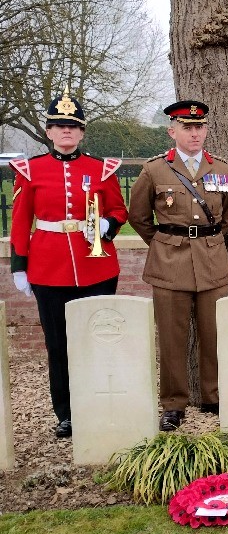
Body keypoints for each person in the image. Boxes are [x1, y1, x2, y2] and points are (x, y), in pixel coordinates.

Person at [9, 88, 127, 438]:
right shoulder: (30, 171)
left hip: (97, 268)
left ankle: (102, 403)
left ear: (82, 132)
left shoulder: (100, 169)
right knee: (58, 345)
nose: (66, 132)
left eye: (73, 127)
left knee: (99, 340)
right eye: (59, 126)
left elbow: (118, 210)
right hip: (48, 268)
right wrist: (19, 265)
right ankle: (66, 413)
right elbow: (19, 221)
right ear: (48, 132)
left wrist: (107, 225)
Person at [128, 100, 228, 432]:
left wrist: (209, 241)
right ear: (172, 130)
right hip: (169, 264)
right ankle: (173, 404)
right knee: (173, 339)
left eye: (199, 127)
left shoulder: (221, 168)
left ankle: (212, 396)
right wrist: (165, 243)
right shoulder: (155, 169)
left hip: (212, 262)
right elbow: (138, 216)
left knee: (214, 334)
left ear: (206, 130)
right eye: (187, 127)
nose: (194, 133)